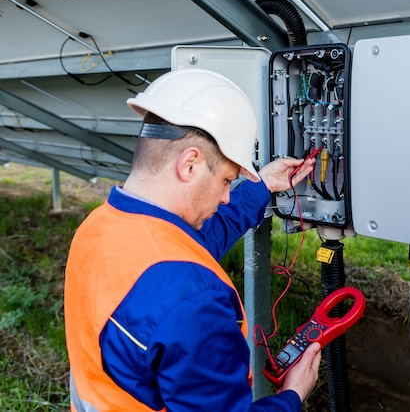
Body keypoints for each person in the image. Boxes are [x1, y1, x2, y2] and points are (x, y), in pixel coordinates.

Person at [64, 68, 321, 411]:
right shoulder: (194, 301)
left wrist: (261, 187)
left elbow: (188, 249)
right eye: (228, 180)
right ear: (190, 165)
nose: (227, 197)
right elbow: (183, 281)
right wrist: (293, 394)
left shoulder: (99, 226)